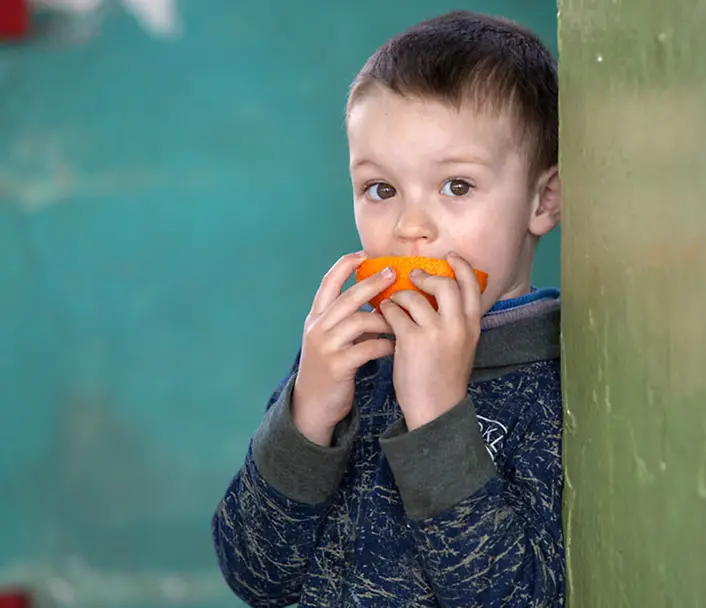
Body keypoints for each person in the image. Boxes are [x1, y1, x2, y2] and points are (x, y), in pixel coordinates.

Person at [212, 10, 563, 607]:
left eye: (457, 186)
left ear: (542, 199)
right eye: (381, 189)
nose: (410, 226)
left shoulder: (558, 386)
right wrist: (306, 413)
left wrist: (436, 415)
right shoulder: (349, 361)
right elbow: (255, 576)